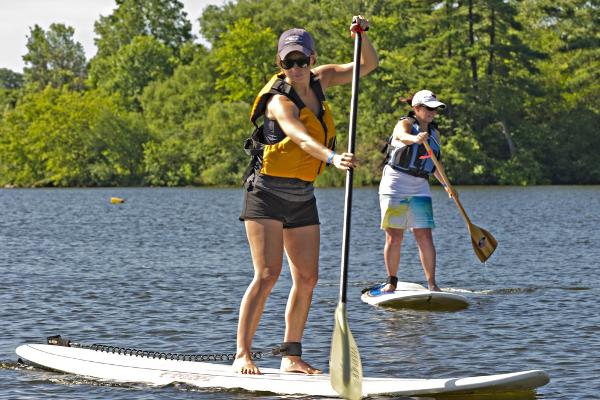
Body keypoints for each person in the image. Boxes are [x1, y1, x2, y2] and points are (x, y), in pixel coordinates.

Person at [234, 16, 378, 375]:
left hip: (302, 195)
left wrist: (362, 35)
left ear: (312, 59)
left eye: (301, 61)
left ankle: (291, 355)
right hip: (266, 193)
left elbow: (367, 64)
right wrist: (332, 157)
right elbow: (298, 136)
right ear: (279, 64)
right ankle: (242, 354)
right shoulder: (278, 101)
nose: (295, 69)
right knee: (268, 274)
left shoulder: (323, 78)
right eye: (288, 62)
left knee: (308, 278)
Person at [373, 90, 456, 294]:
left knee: (425, 236)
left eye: (434, 109)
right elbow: (401, 136)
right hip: (395, 183)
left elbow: (434, 164)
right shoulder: (406, 124)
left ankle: (432, 284)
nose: (432, 112)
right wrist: (415, 138)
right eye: (427, 108)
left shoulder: (435, 134)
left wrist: (447, 185)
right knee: (395, 236)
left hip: (420, 185)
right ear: (416, 108)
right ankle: (391, 281)